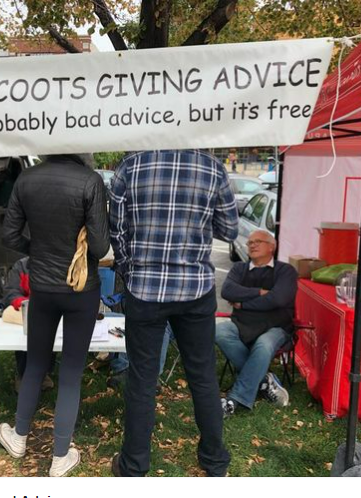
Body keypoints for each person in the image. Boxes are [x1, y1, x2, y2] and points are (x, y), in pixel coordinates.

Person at [109, 149, 239, 477]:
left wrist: (129, 269)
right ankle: (214, 460)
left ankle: (134, 465)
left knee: (142, 379)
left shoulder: (131, 166)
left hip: (145, 289)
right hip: (195, 288)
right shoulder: (212, 168)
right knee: (203, 376)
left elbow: (117, 230)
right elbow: (230, 230)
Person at [0, 153, 109, 477]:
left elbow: (9, 235)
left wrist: (38, 249)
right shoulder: (91, 181)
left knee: (35, 363)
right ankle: (60, 456)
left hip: (42, 288)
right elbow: (101, 248)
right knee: (72, 372)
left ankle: (19, 437)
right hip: (81, 288)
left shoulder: (27, 178)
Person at [216, 230, 297, 417]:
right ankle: (264, 381)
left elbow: (278, 299)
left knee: (263, 344)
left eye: (258, 241)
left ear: (272, 246)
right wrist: (260, 292)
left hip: (277, 326)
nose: (252, 245)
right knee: (219, 331)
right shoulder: (239, 269)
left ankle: (234, 400)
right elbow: (227, 291)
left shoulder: (285, 271)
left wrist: (243, 303)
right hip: (242, 323)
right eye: (250, 242)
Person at [2, 257, 55, 391]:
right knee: (25, 334)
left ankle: (44, 374)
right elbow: (11, 292)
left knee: (53, 336)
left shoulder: (59, 263)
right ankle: (23, 374)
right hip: (27, 311)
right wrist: (24, 304)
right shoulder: (21, 265)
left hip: (53, 311)